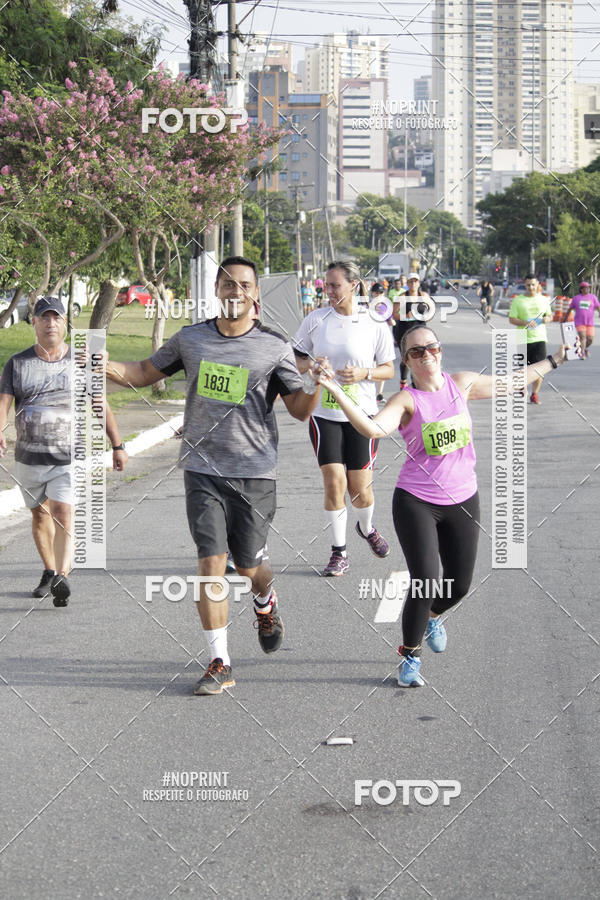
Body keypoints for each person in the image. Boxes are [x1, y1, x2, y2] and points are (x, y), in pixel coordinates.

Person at [105, 257, 322, 696]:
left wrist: (315, 384)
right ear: (216, 290)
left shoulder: (273, 346)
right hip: (202, 469)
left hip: (254, 473)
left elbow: (299, 410)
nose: (235, 291)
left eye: (244, 285)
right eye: (227, 284)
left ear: (255, 294)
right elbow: (144, 373)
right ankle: (220, 661)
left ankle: (265, 600)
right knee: (210, 564)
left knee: (249, 567)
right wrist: (104, 365)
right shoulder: (192, 339)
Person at [315, 323, 573, 686]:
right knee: (425, 580)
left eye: (432, 347)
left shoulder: (461, 384)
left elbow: (512, 381)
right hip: (416, 500)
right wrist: (334, 389)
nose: (427, 355)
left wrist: (556, 359)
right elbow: (373, 429)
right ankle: (410, 657)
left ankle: (434, 615)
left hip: (463, 498)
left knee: (460, 585)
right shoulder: (406, 400)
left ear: (440, 350)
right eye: (416, 351)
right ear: (406, 361)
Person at [0, 296, 128, 606]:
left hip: (67, 458)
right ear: (34, 322)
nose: (51, 323)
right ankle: (50, 571)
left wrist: (117, 444)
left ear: (65, 324)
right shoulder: (17, 363)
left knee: (63, 512)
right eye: (44, 317)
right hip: (29, 458)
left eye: (56, 317)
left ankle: (61, 577)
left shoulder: (81, 363)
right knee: (40, 516)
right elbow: (3, 403)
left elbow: (100, 405)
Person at [293, 260, 395, 577]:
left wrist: (365, 373)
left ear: (354, 285)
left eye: (335, 285)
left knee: (359, 491)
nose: (329, 291)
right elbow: (295, 358)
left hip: (362, 415)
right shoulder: (316, 320)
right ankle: (339, 553)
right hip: (324, 413)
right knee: (334, 482)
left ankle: (366, 528)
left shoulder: (374, 322)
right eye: (326, 285)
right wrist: (312, 366)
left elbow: (389, 369)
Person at [508, 273, 553, 405]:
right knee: (523, 369)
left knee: (540, 369)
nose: (531, 287)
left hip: (539, 338)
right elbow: (512, 319)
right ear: (525, 285)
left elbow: (550, 316)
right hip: (522, 338)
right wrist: (525, 323)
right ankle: (522, 386)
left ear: (538, 284)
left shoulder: (544, 300)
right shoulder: (518, 300)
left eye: (533, 285)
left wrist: (546, 319)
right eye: (528, 285)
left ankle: (535, 394)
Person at [391, 273, 428, 389]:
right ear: (407, 283)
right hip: (404, 331)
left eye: (415, 281)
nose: (413, 284)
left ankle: (416, 385)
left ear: (419, 283)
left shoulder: (424, 296)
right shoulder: (402, 297)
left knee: (419, 358)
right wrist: (406, 315)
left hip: (420, 331)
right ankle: (403, 381)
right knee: (407, 359)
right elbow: (394, 314)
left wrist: (425, 316)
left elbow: (430, 312)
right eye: (411, 281)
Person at [564, 281, 600, 358]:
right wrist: (565, 318)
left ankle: (583, 348)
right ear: (581, 289)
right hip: (579, 322)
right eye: (586, 288)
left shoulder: (592, 297)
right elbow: (570, 308)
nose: (588, 289)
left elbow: (598, 306)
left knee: (590, 339)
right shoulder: (576, 298)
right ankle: (582, 353)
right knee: (583, 337)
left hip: (590, 322)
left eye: (588, 288)